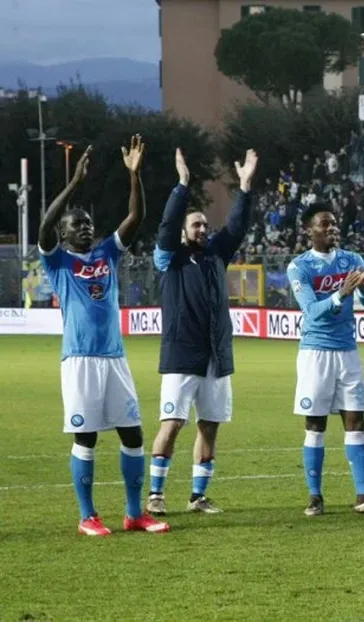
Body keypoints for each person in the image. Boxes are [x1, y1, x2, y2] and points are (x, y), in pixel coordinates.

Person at [40, 136, 168, 535]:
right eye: (77, 225)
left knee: (133, 434)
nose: (85, 229)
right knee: (87, 437)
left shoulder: (105, 254)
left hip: (114, 358)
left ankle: (134, 514)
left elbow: (136, 217)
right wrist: (75, 183)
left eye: (88, 224)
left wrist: (135, 176)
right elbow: (44, 224)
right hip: (79, 359)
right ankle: (87, 517)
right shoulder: (58, 262)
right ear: (63, 234)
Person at [146, 148, 257, 515]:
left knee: (209, 427)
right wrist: (182, 187)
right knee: (173, 423)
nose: (203, 229)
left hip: (216, 356)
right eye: (196, 224)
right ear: (182, 231)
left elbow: (237, 226)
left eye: (205, 225)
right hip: (181, 356)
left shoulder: (214, 256)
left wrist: (244, 187)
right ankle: (156, 494)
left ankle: (197, 496)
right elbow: (165, 227)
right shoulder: (169, 258)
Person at [286, 202, 364, 517]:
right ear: (310, 230)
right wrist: (340, 294)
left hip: (348, 351)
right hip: (316, 352)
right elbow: (311, 311)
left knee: (357, 421)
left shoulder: (352, 259)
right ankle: (315, 497)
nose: (332, 228)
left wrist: (360, 291)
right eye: (324, 224)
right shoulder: (300, 266)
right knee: (316, 424)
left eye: (334, 224)